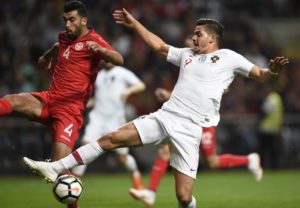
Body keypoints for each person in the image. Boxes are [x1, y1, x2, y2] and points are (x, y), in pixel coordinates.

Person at [23, 8, 289, 208]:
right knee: (110, 138)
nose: (193, 37)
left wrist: (273, 71)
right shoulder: (186, 55)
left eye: (198, 34)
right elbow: (159, 46)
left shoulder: (229, 57)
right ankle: (56, 167)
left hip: (191, 129)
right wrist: (134, 23)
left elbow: (261, 74)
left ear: (212, 38)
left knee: (184, 198)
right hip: (166, 116)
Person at [0, 1, 123, 208]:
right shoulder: (63, 37)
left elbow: (119, 59)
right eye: (65, 20)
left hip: (70, 112)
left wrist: (102, 50)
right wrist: (47, 56)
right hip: (49, 99)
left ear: (84, 20)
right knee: (12, 100)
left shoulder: (94, 40)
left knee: (58, 171)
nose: (67, 24)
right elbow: (59, 46)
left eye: (72, 20)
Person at [129, 87, 263, 206]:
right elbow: (187, 94)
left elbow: (209, 91)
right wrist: (169, 94)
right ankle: (151, 192)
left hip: (204, 123)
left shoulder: (214, 68)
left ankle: (249, 160)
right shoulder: (192, 65)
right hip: (186, 120)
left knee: (212, 162)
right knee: (165, 151)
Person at [71, 62, 146, 189]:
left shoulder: (122, 72)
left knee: (122, 157)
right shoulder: (99, 76)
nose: (107, 61)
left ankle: (135, 175)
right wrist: (86, 104)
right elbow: (99, 98)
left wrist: (129, 91)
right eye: (105, 59)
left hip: (115, 121)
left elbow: (141, 85)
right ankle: (74, 185)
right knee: (85, 146)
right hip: (97, 118)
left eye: (109, 58)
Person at [257, 85, 283, 169]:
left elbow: (265, 111)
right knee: (273, 150)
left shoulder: (270, 99)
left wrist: (259, 119)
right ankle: (275, 167)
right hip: (275, 128)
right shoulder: (277, 98)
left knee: (263, 150)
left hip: (266, 129)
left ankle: (262, 167)